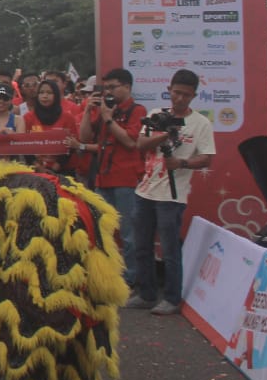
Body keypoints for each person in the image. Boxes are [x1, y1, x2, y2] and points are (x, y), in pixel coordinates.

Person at [126, 69, 215, 315]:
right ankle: (146, 293)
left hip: (173, 196)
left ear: (194, 95)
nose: (180, 99)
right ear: (169, 90)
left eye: (186, 95)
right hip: (145, 191)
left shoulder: (200, 123)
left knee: (170, 249)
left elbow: (207, 158)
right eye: (176, 93)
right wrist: (165, 133)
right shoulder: (156, 116)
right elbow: (140, 145)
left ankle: (172, 298)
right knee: (141, 246)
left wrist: (183, 163)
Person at [79, 67, 148, 287]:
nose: (108, 91)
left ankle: (131, 280)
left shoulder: (137, 110)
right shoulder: (104, 108)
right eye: (105, 87)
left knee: (128, 234)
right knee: (102, 232)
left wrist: (108, 119)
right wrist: (88, 112)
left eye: (112, 87)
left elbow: (130, 141)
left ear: (127, 87)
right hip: (102, 178)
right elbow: (84, 137)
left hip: (126, 180)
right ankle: (106, 276)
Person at [21, 78, 80, 173]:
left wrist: (55, 168)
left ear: (56, 95)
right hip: (36, 170)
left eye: (49, 93)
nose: (45, 96)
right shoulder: (28, 117)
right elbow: (24, 146)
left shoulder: (67, 117)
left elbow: (71, 146)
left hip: (64, 170)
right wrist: (38, 167)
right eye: (41, 92)